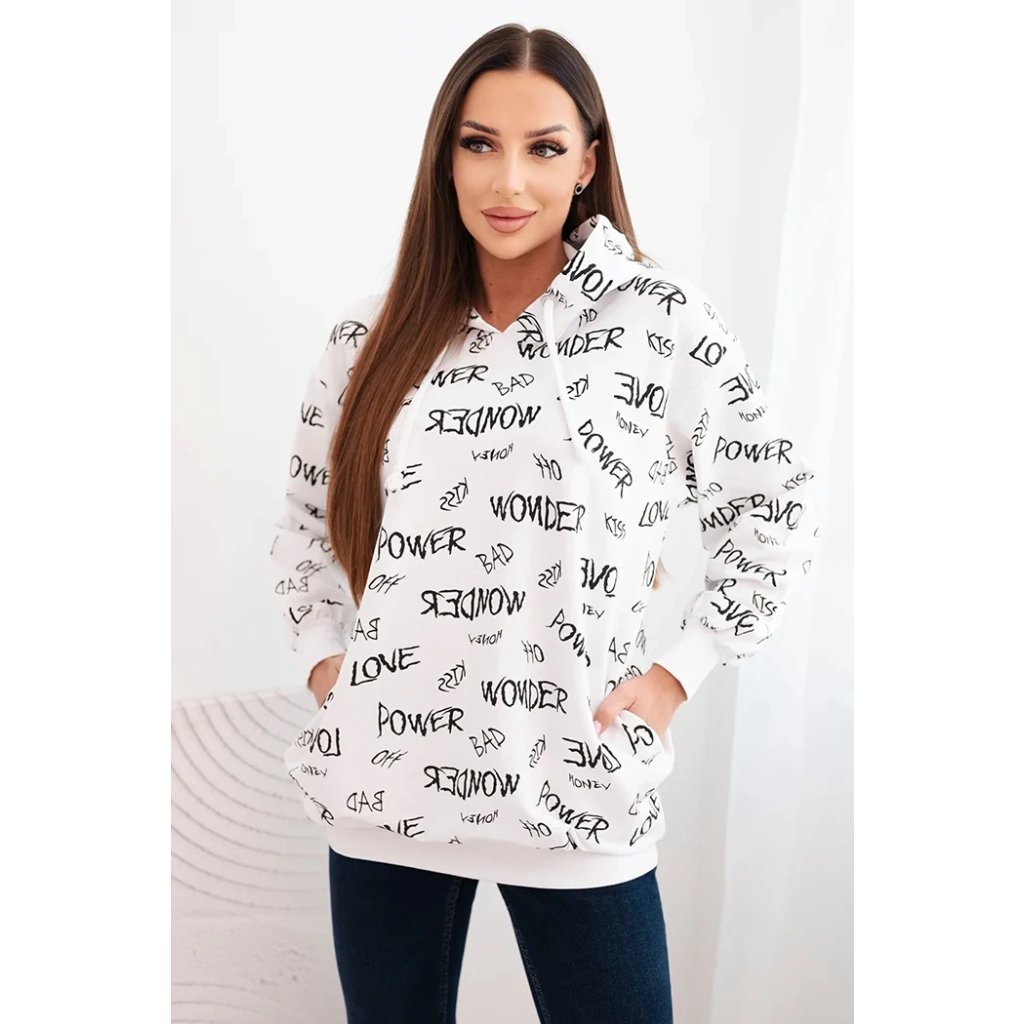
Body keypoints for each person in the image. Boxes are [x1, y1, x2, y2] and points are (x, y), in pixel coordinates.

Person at [269, 23, 822, 1024]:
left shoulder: (659, 322)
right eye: (479, 144)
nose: (509, 180)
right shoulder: (368, 334)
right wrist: (325, 660)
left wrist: (678, 673)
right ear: (445, 157)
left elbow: (772, 506)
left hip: (579, 792)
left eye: (544, 147)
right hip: (387, 792)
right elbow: (307, 518)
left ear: (588, 164)